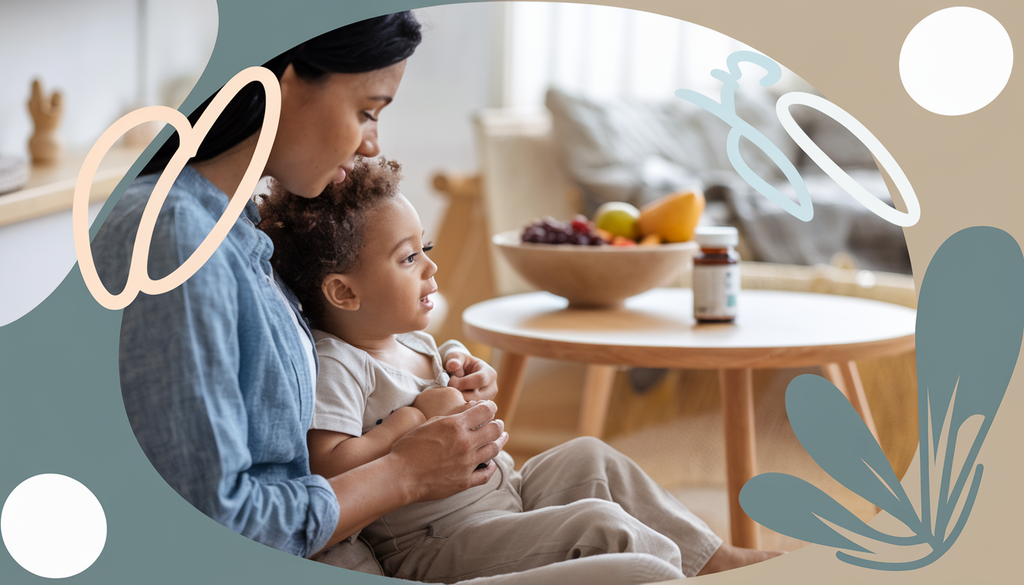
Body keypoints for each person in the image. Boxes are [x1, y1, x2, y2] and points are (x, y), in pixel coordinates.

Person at [91, 10, 774, 583]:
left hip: (401, 520)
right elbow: (216, 525)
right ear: (287, 79)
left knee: (588, 466)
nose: (370, 143)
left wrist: (431, 419)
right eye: (367, 109)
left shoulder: (238, 231)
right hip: (389, 542)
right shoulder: (176, 233)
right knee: (640, 565)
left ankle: (732, 562)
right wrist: (404, 472)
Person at [257, 156, 734, 582]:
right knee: (597, 525)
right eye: (408, 258)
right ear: (344, 293)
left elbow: (459, 411)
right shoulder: (340, 365)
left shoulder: (414, 341)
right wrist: (414, 418)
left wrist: (472, 377)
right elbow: (329, 469)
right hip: (439, 541)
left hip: (507, 495)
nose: (430, 268)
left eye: (427, 247)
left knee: (590, 457)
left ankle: (711, 560)